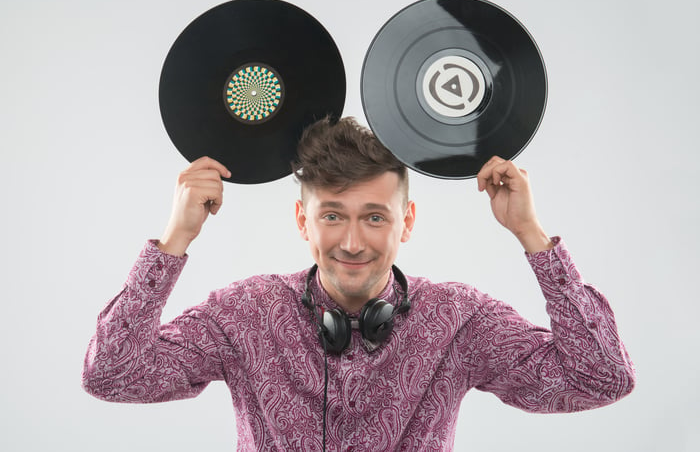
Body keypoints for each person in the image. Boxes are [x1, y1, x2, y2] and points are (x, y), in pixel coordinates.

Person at [82, 117, 635, 451]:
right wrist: (175, 238)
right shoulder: (244, 313)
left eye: (374, 217)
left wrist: (531, 234)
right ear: (303, 221)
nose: (351, 242)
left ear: (407, 222)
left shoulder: (460, 320)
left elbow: (601, 378)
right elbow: (112, 375)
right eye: (331, 216)